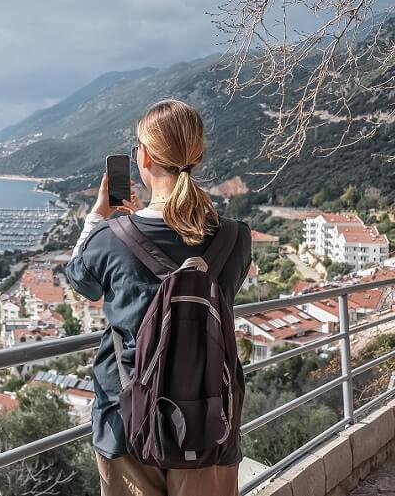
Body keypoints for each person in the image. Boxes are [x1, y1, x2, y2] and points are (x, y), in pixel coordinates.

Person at [65, 99, 252, 496]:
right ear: (197, 155)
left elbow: (80, 280)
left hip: (127, 419)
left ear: (144, 156)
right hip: (211, 417)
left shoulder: (110, 240)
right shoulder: (237, 238)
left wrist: (98, 217)